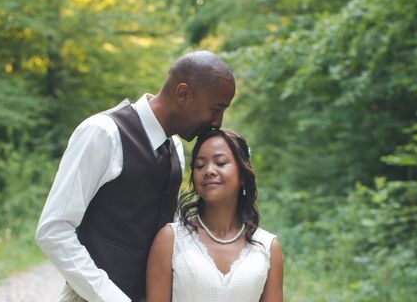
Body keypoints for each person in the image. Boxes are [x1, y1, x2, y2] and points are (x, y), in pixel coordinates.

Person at [36, 51, 236, 302]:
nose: (218, 122)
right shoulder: (103, 133)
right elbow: (53, 230)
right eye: (216, 109)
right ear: (183, 94)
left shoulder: (174, 148)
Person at [146, 128, 284, 302]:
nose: (209, 171)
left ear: (242, 175)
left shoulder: (268, 247)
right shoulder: (171, 239)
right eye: (200, 165)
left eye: (220, 163)